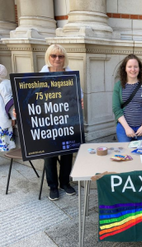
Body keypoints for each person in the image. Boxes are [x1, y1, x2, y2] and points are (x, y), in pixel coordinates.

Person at [41, 44, 78, 200]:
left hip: (66, 120)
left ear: (64, 58)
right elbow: (30, 98)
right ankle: (52, 186)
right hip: (48, 121)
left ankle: (65, 182)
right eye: (53, 56)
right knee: (49, 154)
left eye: (60, 56)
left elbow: (78, 93)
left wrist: (79, 100)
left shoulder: (70, 74)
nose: (57, 59)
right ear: (48, 57)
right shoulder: (41, 74)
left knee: (67, 151)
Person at [112, 54, 142, 142]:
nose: (133, 70)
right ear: (125, 69)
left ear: (139, 69)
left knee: (141, 154)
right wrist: (127, 128)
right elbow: (116, 109)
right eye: (129, 67)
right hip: (124, 128)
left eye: (135, 67)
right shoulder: (118, 86)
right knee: (126, 154)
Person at [0, 64, 16, 151]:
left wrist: (13, 118)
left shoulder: (3, 85)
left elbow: (9, 102)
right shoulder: (6, 82)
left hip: (4, 116)